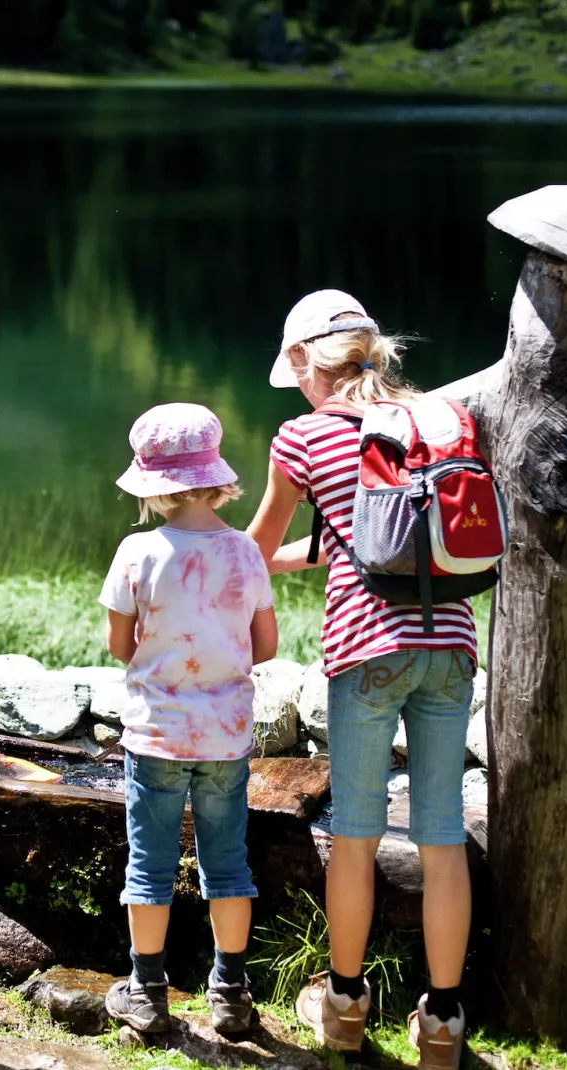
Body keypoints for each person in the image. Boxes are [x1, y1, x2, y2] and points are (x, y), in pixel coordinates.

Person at [246, 291, 477, 1070]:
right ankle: (443, 1022)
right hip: (449, 643)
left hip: (365, 650)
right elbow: (388, 534)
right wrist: (298, 559)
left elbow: (257, 547)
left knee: (356, 835)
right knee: (443, 837)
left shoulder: (304, 434)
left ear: (309, 361)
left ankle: (345, 1006)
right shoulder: (437, 419)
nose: (299, 387)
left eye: (298, 373)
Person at [98, 402, 278, 1036]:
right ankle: (230, 991)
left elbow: (121, 647)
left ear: (152, 485)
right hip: (226, 736)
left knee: (148, 864)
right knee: (228, 863)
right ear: (215, 476)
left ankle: (146, 991)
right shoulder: (245, 553)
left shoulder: (137, 551)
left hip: (155, 733)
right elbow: (269, 645)